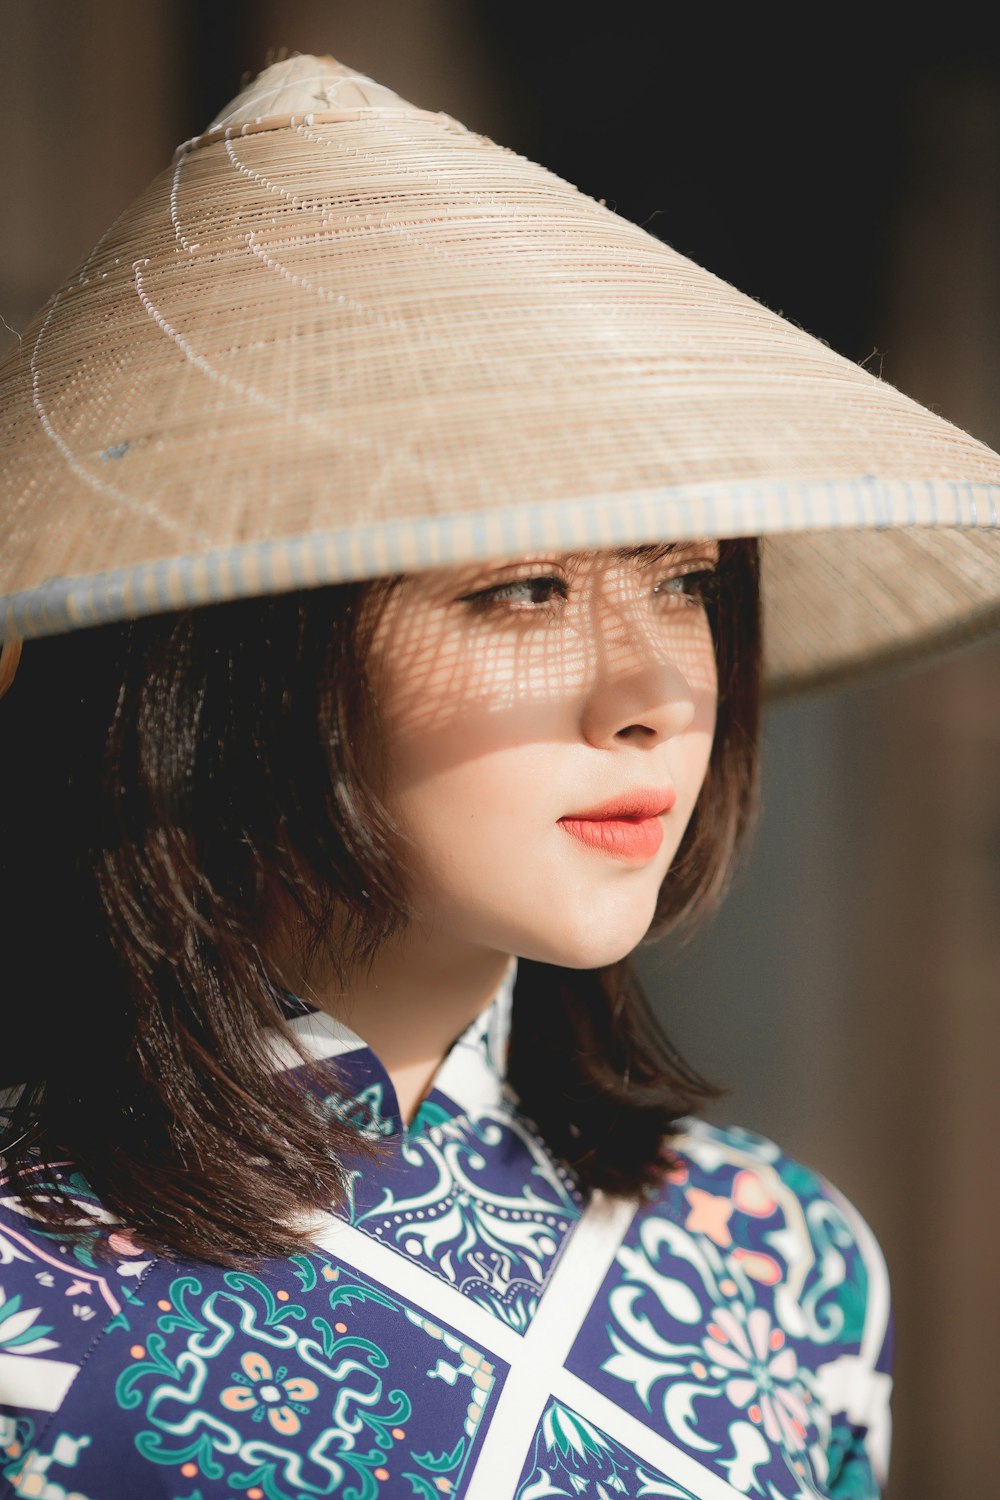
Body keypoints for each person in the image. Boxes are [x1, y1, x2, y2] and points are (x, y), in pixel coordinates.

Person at [0, 53, 997, 1500]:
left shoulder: (781, 1261)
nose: (654, 693)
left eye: (682, 582)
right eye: (521, 590)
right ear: (236, 673)